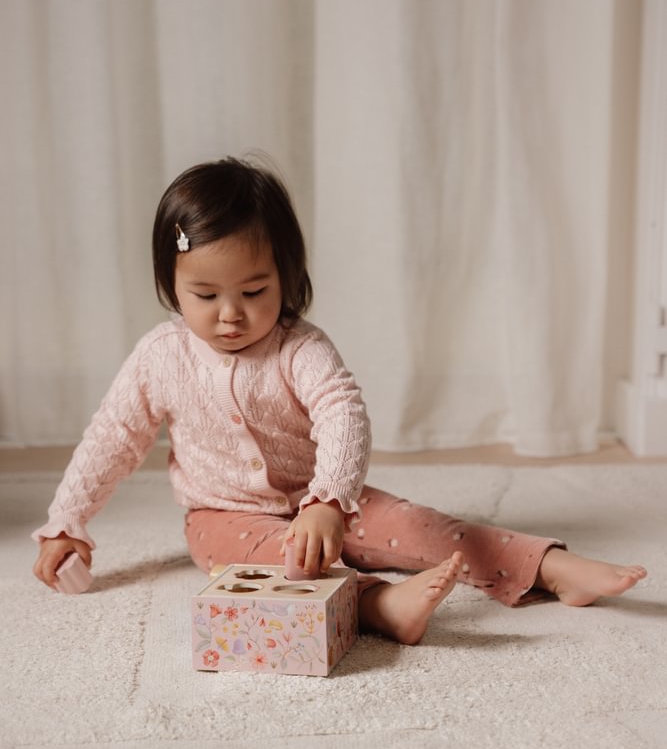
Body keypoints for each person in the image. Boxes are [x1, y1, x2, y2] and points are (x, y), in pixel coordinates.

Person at [32, 158, 647, 645]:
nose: (230, 314)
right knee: (271, 563)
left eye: (254, 290)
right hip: (223, 517)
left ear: (286, 275)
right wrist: (66, 524)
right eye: (205, 295)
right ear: (171, 284)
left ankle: (549, 568)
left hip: (328, 495)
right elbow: (111, 440)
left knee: (419, 526)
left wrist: (328, 499)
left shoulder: (299, 348)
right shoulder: (159, 357)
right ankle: (379, 605)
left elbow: (342, 415)